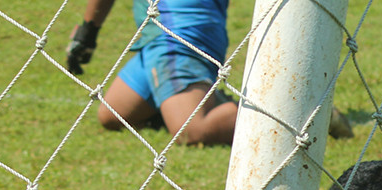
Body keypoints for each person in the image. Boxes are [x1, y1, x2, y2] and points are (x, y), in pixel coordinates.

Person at [65, 0, 353, 145]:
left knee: (193, 130)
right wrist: (88, 31)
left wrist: (89, 31)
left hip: (179, 32)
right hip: (154, 35)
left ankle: (305, 113)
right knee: (113, 115)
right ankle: (192, 100)